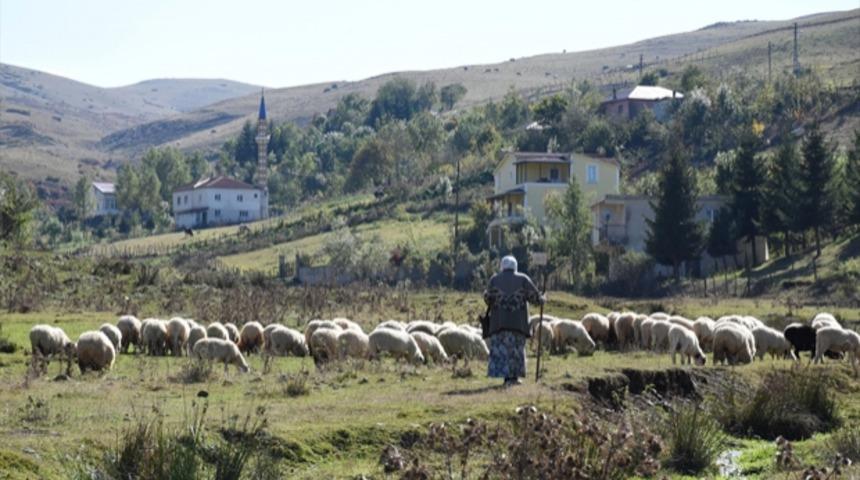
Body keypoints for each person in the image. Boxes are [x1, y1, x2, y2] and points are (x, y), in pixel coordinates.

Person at [483, 255, 545, 387]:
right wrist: (542, 298)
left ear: (502, 266)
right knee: (516, 351)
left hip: (499, 323)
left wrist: (486, 295)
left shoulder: (494, 279)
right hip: (518, 323)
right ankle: (514, 377)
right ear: (515, 266)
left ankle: (506, 378)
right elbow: (535, 298)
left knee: (503, 351)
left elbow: (488, 299)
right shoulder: (523, 279)